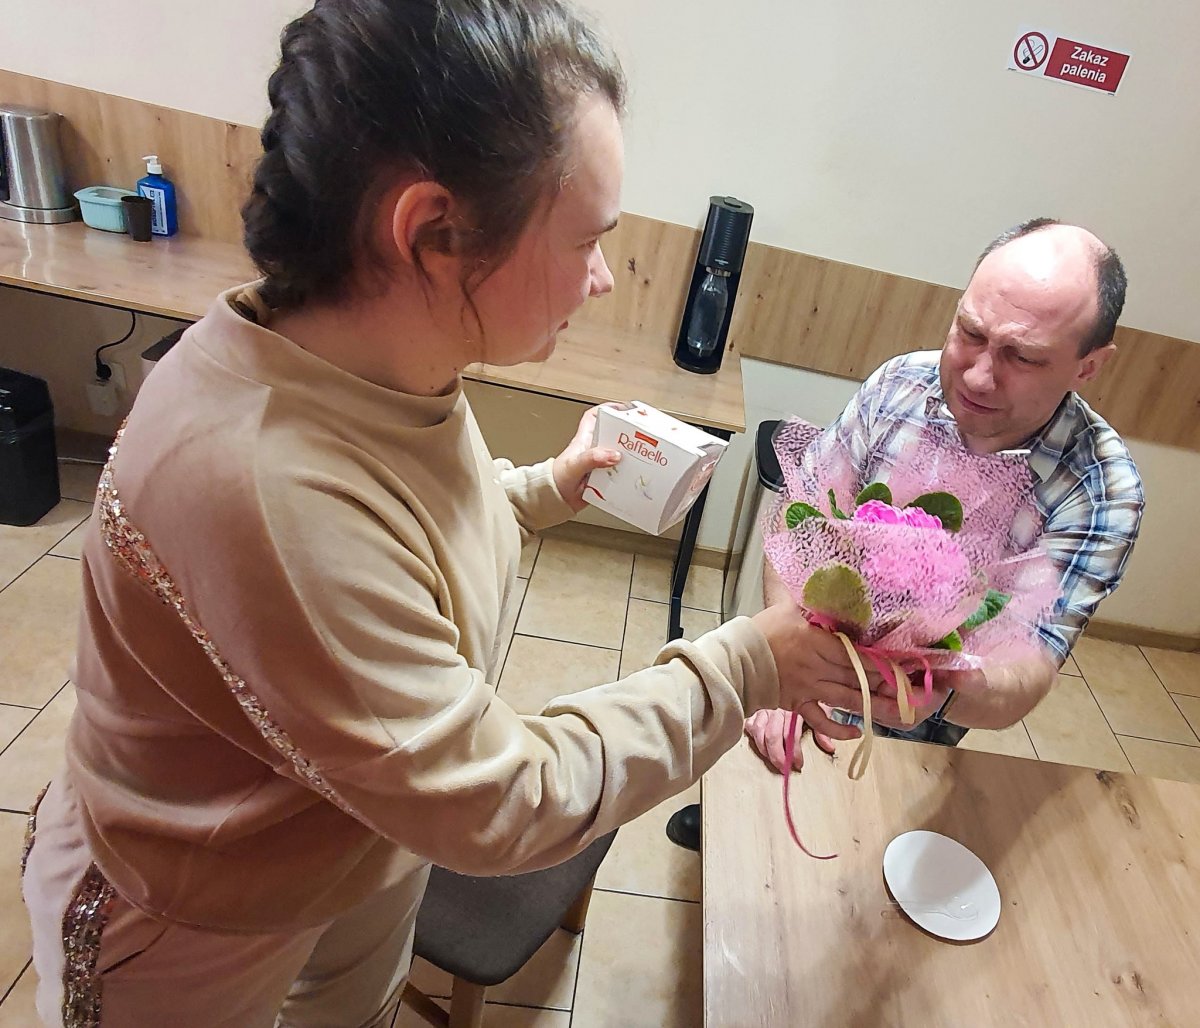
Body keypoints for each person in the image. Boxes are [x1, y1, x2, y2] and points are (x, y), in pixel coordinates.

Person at [20, 2, 873, 1025]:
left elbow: (402, 532)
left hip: (349, 828)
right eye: (588, 239)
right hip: (197, 910)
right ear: (432, 232)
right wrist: (746, 666)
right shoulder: (261, 481)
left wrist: (543, 488)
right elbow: (500, 799)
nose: (604, 278)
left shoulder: (375, 366)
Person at [667, 218, 1144, 851]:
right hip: (804, 654)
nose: (978, 376)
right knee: (746, 819)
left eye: (1023, 357)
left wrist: (935, 683)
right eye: (970, 332)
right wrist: (786, 661)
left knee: (857, 854)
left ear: (1089, 366)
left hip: (922, 722)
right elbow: (798, 512)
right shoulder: (901, 384)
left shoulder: (1101, 490)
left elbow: (1030, 666)